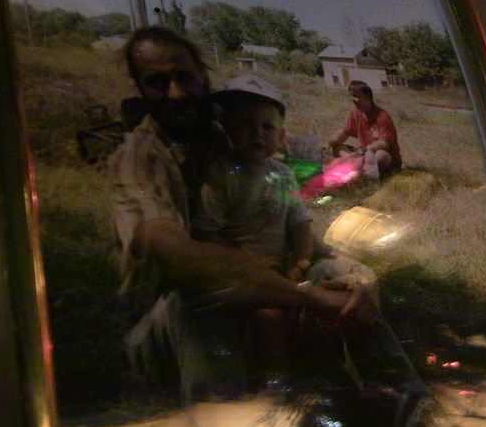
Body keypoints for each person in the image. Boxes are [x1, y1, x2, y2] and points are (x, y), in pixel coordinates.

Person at [106, 27, 377, 401]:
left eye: (184, 77)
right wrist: (304, 294)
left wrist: (346, 271)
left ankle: (391, 391)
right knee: (199, 306)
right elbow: (176, 258)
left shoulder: (226, 140)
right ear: (139, 88)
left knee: (350, 282)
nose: (175, 93)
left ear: (203, 80)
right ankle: (235, 416)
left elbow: (290, 217)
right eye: (157, 82)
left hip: (262, 276)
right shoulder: (139, 160)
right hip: (168, 307)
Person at [190, 75, 424, 401]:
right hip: (244, 272)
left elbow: (300, 224)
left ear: (281, 136)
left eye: (267, 127)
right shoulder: (221, 175)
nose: (257, 133)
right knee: (269, 315)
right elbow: (206, 233)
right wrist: (249, 265)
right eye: (245, 124)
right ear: (226, 128)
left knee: (355, 287)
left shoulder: (282, 174)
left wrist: (301, 261)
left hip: (289, 265)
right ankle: (279, 393)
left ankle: (397, 385)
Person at [328, 80, 402, 180]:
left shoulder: (383, 116)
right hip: (364, 154)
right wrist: (330, 143)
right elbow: (344, 133)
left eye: (356, 96)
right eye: (351, 96)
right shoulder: (355, 114)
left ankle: (360, 168)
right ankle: (358, 166)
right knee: (337, 147)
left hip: (385, 157)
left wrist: (361, 151)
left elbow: (384, 144)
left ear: (367, 96)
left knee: (380, 156)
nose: (353, 100)